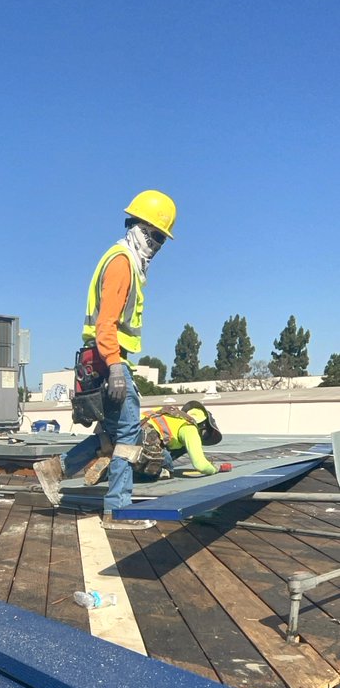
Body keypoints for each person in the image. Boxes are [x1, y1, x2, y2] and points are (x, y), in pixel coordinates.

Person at [34, 190, 177, 528]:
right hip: (108, 360)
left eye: (162, 239)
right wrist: (115, 366)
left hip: (100, 360)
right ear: (139, 228)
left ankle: (55, 469)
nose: (158, 245)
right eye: (155, 236)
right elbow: (105, 323)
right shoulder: (122, 264)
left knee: (111, 435)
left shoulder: (125, 262)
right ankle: (117, 510)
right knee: (128, 435)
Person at [37, 399, 225, 492]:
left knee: (101, 442)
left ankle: (56, 467)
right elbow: (199, 464)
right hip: (145, 441)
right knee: (163, 467)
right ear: (203, 426)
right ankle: (112, 468)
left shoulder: (170, 413)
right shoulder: (190, 428)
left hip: (128, 428)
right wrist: (214, 469)